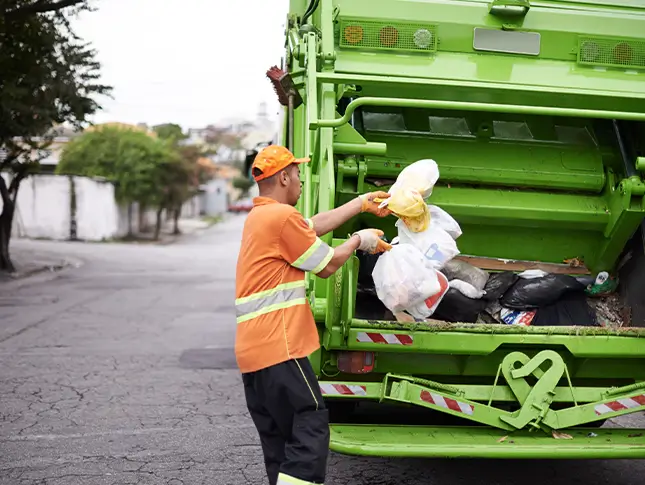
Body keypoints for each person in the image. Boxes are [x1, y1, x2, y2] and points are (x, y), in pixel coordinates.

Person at [235, 145, 392, 485]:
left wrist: (360, 203)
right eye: (298, 173)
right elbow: (327, 265)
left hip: (254, 354)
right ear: (284, 176)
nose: (302, 180)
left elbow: (311, 227)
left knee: (281, 440)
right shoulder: (280, 218)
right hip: (280, 346)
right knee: (310, 422)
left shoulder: (261, 217)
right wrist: (357, 241)